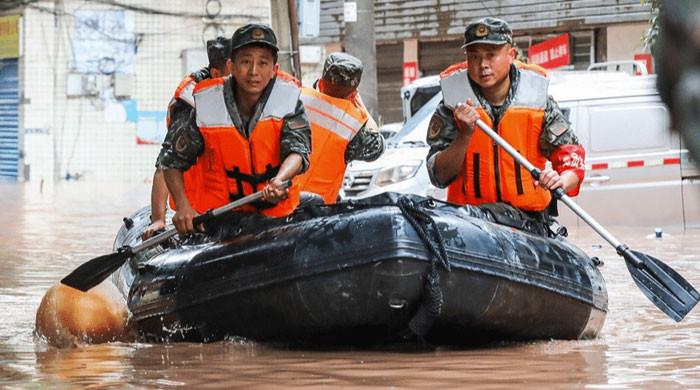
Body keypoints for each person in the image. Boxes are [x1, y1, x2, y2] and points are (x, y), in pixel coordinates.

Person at [158, 23, 311, 235]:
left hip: (276, 215)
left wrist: (280, 179)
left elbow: (298, 151)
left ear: (274, 69)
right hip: (221, 218)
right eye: (246, 62)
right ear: (231, 66)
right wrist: (183, 207)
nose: (254, 72)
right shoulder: (207, 104)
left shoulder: (288, 101)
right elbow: (170, 160)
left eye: (263, 63)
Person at [426, 17, 585, 218]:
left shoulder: (537, 100)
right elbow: (438, 176)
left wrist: (561, 180)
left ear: (511, 55)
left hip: (528, 221)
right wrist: (464, 135)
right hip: (471, 223)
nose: (483, 64)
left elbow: (572, 157)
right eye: (474, 57)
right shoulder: (452, 105)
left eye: (491, 55)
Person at [142, 36, 232, 239]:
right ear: (216, 73)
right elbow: (165, 164)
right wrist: (158, 219)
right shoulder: (190, 104)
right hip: (194, 206)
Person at [295, 52, 385, 204]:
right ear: (353, 95)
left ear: (321, 83)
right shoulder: (353, 123)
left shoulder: (296, 98)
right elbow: (377, 147)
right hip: (317, 212)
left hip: (279, 200)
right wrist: (360, 105)